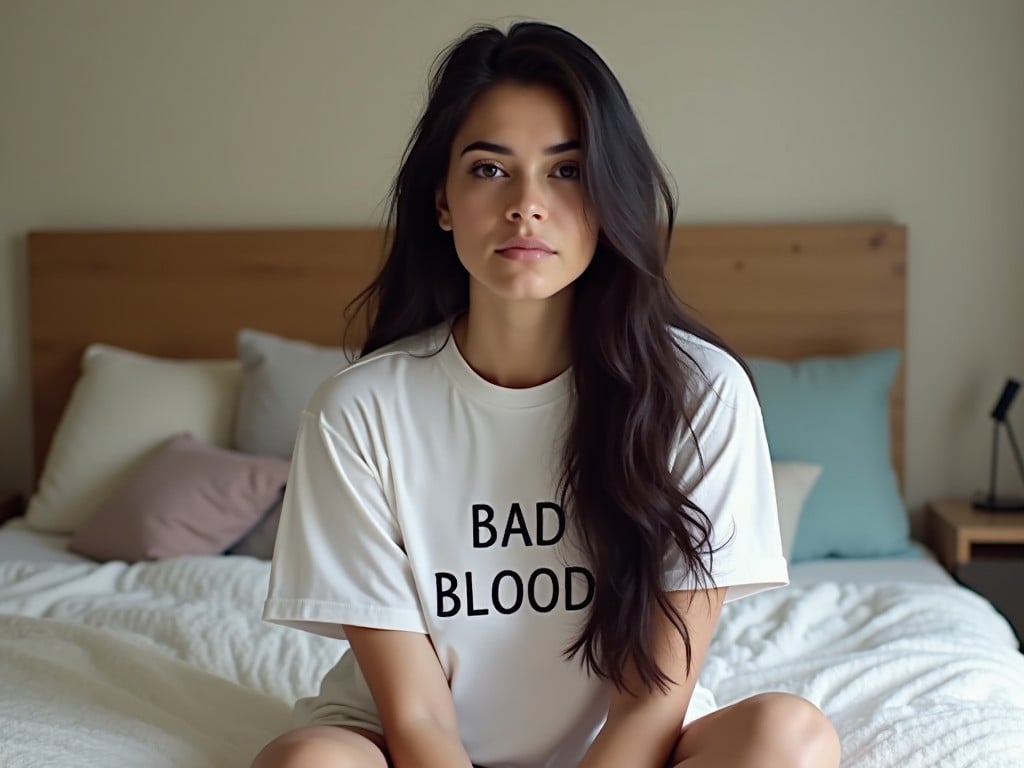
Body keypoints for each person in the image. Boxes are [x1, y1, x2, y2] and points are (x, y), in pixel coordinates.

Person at [253, 20, 840, 768]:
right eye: (490, 170)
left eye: (566, 171)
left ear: (606, 199)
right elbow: (418, 716)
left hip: (631, 743)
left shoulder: (698, 394)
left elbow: (652, 696)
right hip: (409, 748)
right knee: (305, 764)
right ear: (442, 201)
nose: (526, 204)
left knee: (791, 739)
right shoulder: (359, 411)